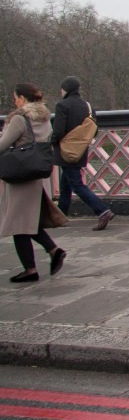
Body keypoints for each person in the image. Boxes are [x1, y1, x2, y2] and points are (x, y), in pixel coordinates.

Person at [0, 84, 67, 282]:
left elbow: (3, 145)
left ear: (22, 98)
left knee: (18, 224)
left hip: (21, 176)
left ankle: (31, 269)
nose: (15, 101)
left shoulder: (20, 119)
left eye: (16, 97)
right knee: (28, 221)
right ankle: (53, 251)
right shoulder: (45, 118)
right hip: (38, 174)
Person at [51, 76, 114, 230]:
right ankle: (61, 216)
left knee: (77, 185)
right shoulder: (88, 106)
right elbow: (94, 130)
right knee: (66, 183)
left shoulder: (62, 106)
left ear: (65, 89)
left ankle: (102, 210)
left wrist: (52, 143)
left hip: (66, 151)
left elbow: (58, 131)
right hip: (80, 150)